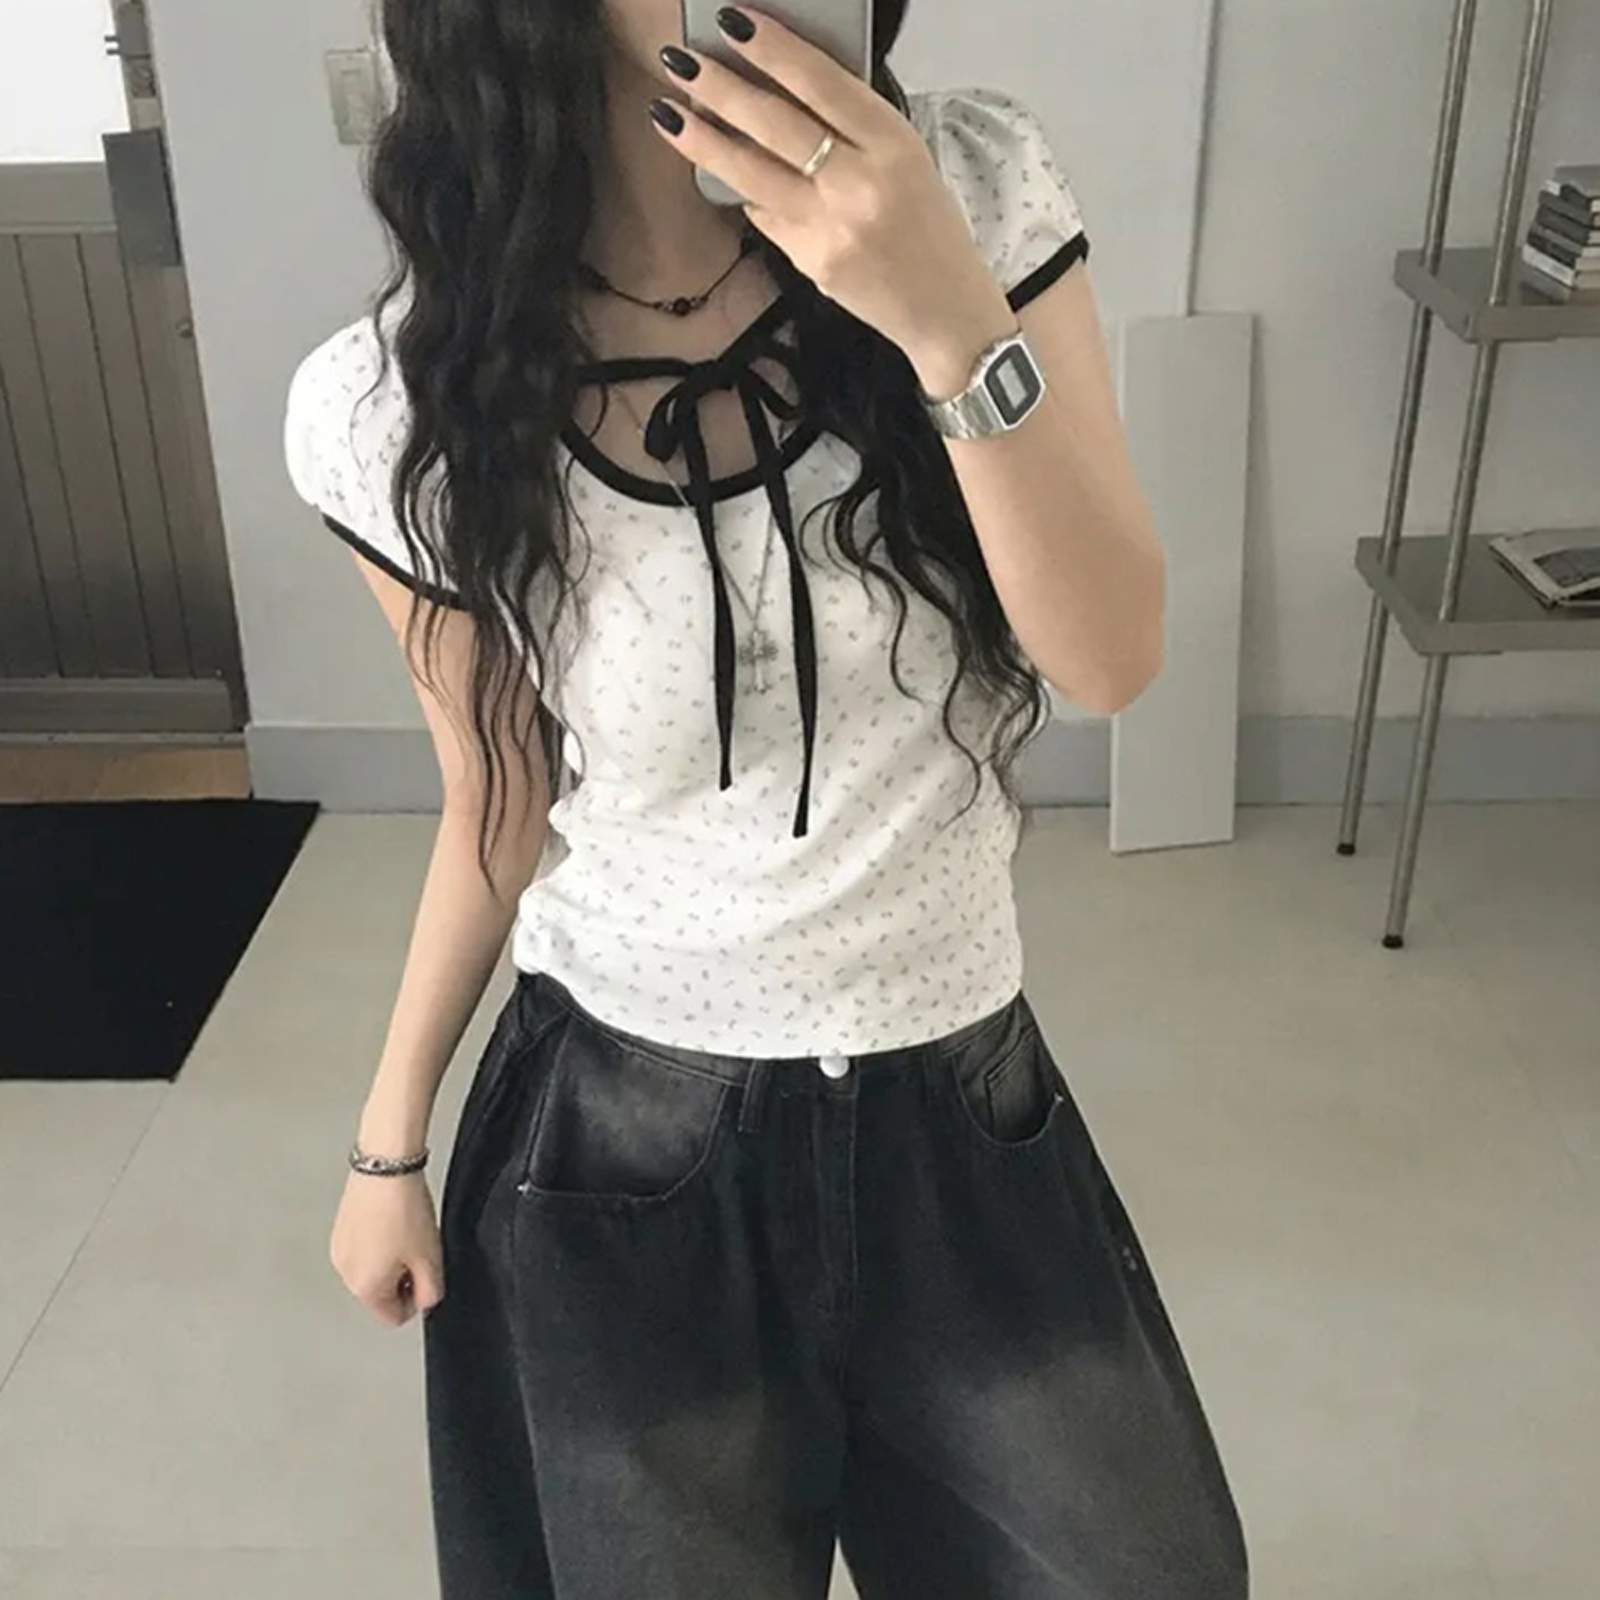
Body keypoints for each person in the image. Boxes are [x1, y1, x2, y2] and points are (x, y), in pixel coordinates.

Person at [283, 2, 1248, 1595]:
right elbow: (496, 801)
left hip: (959, 1099)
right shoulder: (402, 399)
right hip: (626, 1137)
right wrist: (386, 1149)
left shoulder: (972, 189)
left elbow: (1113, 656)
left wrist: (945, 317)